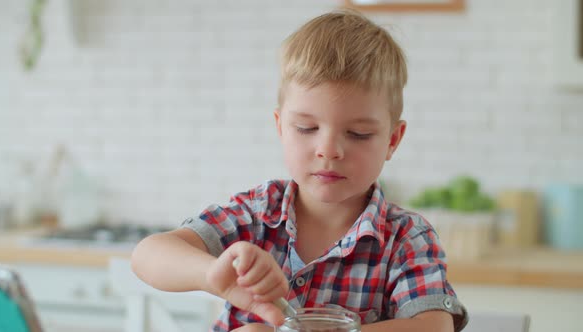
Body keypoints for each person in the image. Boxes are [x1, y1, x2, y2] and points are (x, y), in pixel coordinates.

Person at [132, 9, 468, 332]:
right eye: (306, 128)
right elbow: (148, 254)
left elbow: (434, 326)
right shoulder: (255, 214)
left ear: (393, 139)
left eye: (358, 134)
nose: (329, 150)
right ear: (280, 127)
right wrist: (212, 273)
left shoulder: (406, 238)